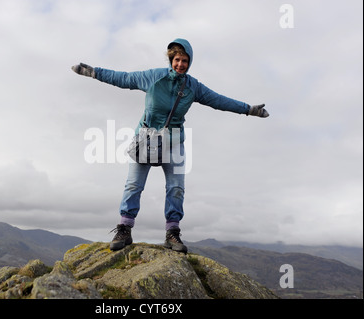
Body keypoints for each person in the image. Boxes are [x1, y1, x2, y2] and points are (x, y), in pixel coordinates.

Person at [72, 38, 268, 254]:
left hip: (174, 140)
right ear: (171, 59)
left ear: (189, 62)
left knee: (176, 188)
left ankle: (172, 234)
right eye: (177, 60)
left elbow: (219, 100)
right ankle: (124, 229)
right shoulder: (154, 77)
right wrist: (94, 72)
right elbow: (124, 78)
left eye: (185, 61)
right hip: (146, 138)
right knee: (133, 185)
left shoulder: (193, 87)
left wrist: (249, 109)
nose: (180, 64)